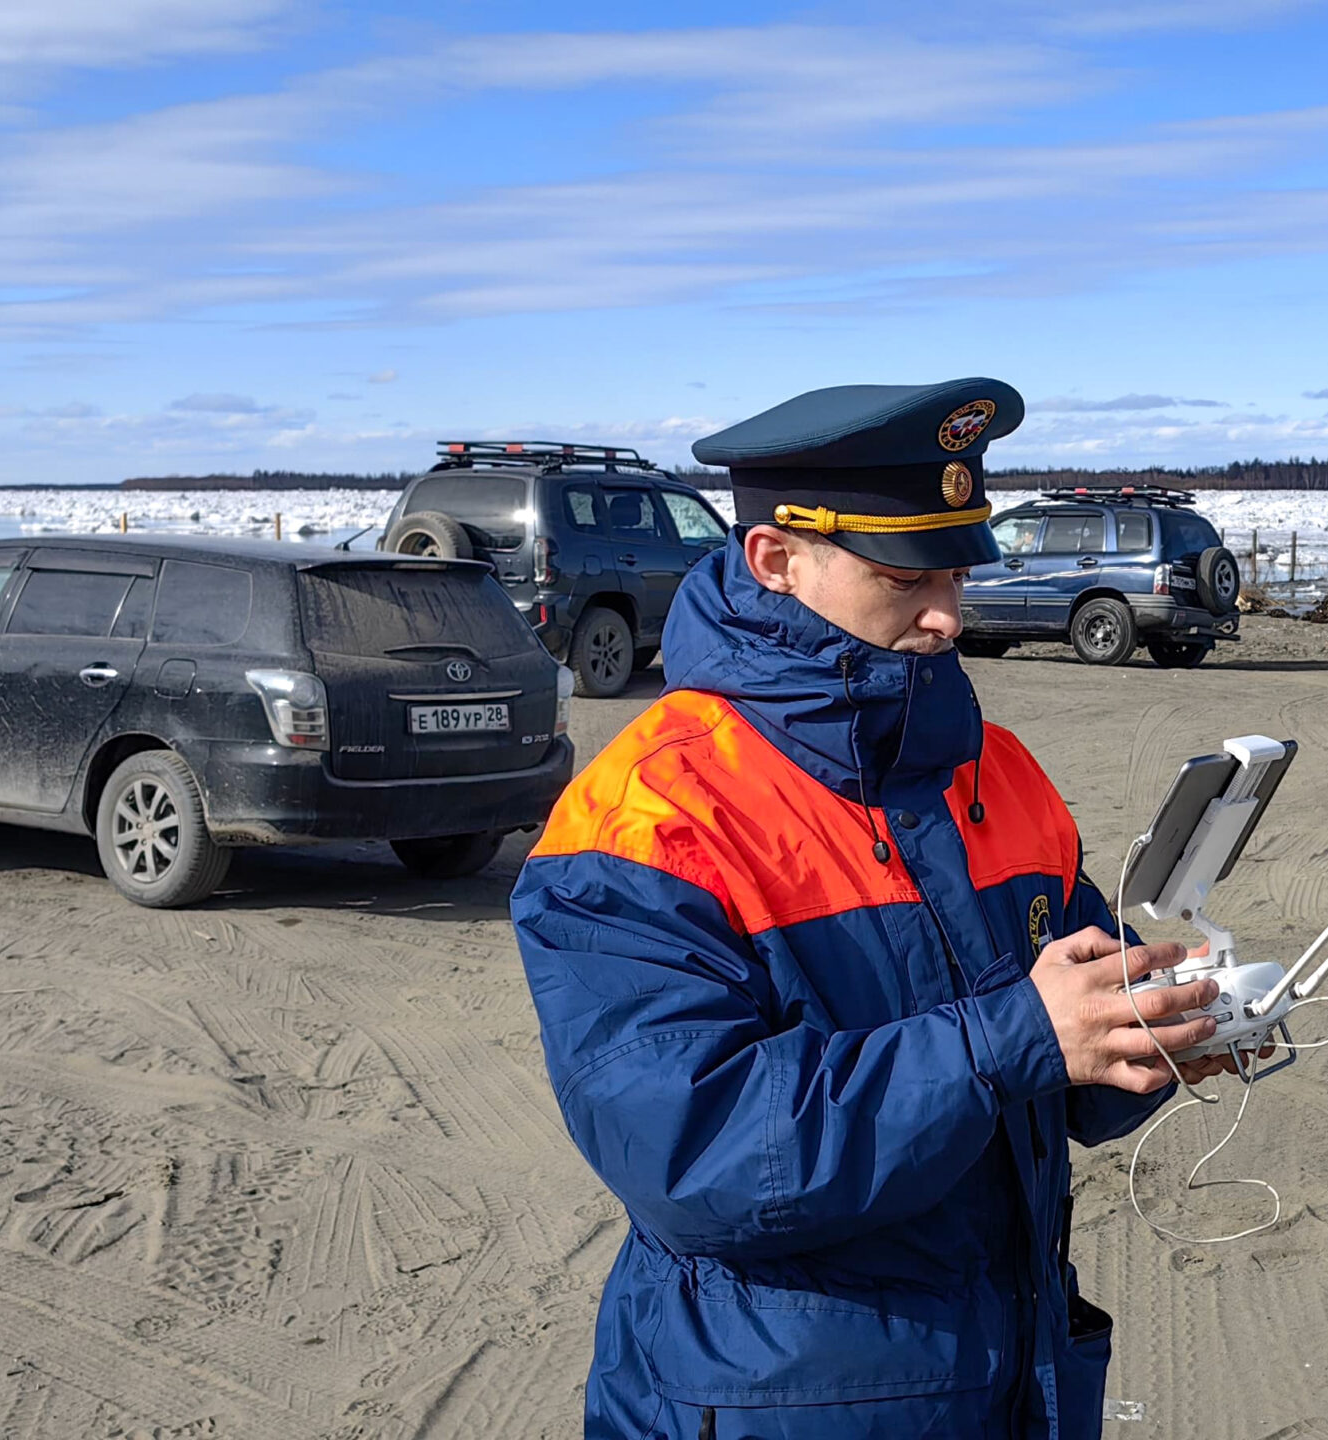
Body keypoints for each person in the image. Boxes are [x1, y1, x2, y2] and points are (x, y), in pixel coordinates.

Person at [512, 378, 1249, 1439]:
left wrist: (1162, 1029)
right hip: (776, 1405)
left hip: (1012, 1388)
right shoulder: (644, 819)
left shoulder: (997, 770)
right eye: (904, 575)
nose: (948, 612)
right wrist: (1014, 1039)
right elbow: (690, 1151)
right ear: (776, 559)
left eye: (957, 568)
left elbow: (1066, 1074)